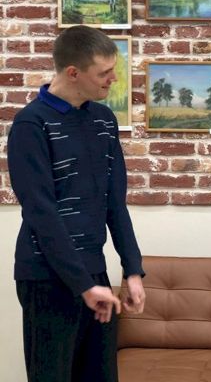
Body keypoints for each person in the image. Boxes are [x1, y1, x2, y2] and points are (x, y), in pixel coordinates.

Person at [8, 25, 146, 382]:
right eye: (104, 73)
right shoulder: (31, 124)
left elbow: (115, 202)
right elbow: (41, 213)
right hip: (47, 277)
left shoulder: (103, 120)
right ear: (73, 73)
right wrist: (82, 284)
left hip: (94, 272)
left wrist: (132, 269)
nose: (113, 79)